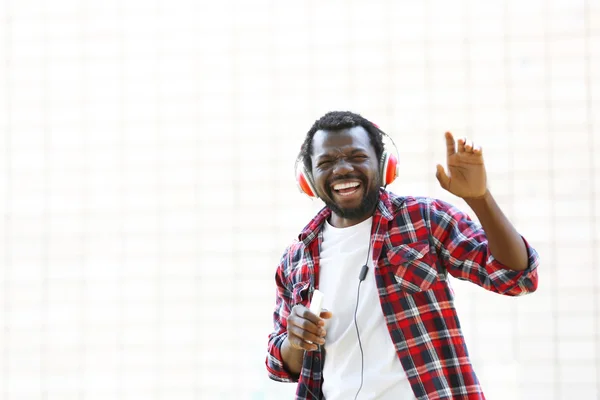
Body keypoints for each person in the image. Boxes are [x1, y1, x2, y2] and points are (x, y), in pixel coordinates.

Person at [265, 111, 539, 400]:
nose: (342, 169)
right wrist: (295, 343)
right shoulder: (296, 259)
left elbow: (516, 278)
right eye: (326, 162)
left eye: (357, 157)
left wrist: (479, 198)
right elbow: (279, 365)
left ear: (383, 165)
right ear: (308, 177)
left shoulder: (424, 219)